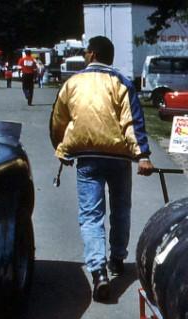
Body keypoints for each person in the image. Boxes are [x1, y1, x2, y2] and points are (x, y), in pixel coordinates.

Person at [49, 36, 155, 302]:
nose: (85, 56)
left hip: (87, 159)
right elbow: (133, 121)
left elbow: (58, 121)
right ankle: (117, 259)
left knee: (91, 215)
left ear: (92, 54)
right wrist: (142, 155)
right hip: (119, 159)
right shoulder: (121, 82)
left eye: (86, 52)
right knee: (121, 209)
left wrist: (62, 149)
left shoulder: (72, 83)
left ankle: (98, 272)